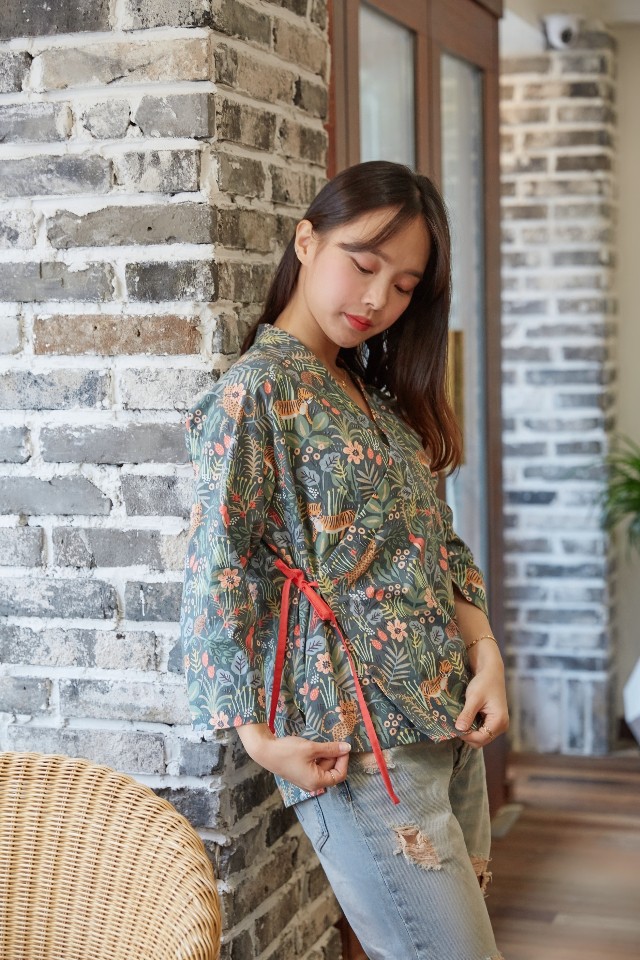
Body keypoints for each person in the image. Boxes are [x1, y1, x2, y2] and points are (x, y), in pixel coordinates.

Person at [180, 160, 508, 960]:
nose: (377, 299)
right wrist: (258, 738)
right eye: (363, 265)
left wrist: (487, 652)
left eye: (403, 286)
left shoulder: (376, 399)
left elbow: (437, 542)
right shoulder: (255, 394)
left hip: (449, 721)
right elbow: (217, 570)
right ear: (307, 240)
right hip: (360, 744)